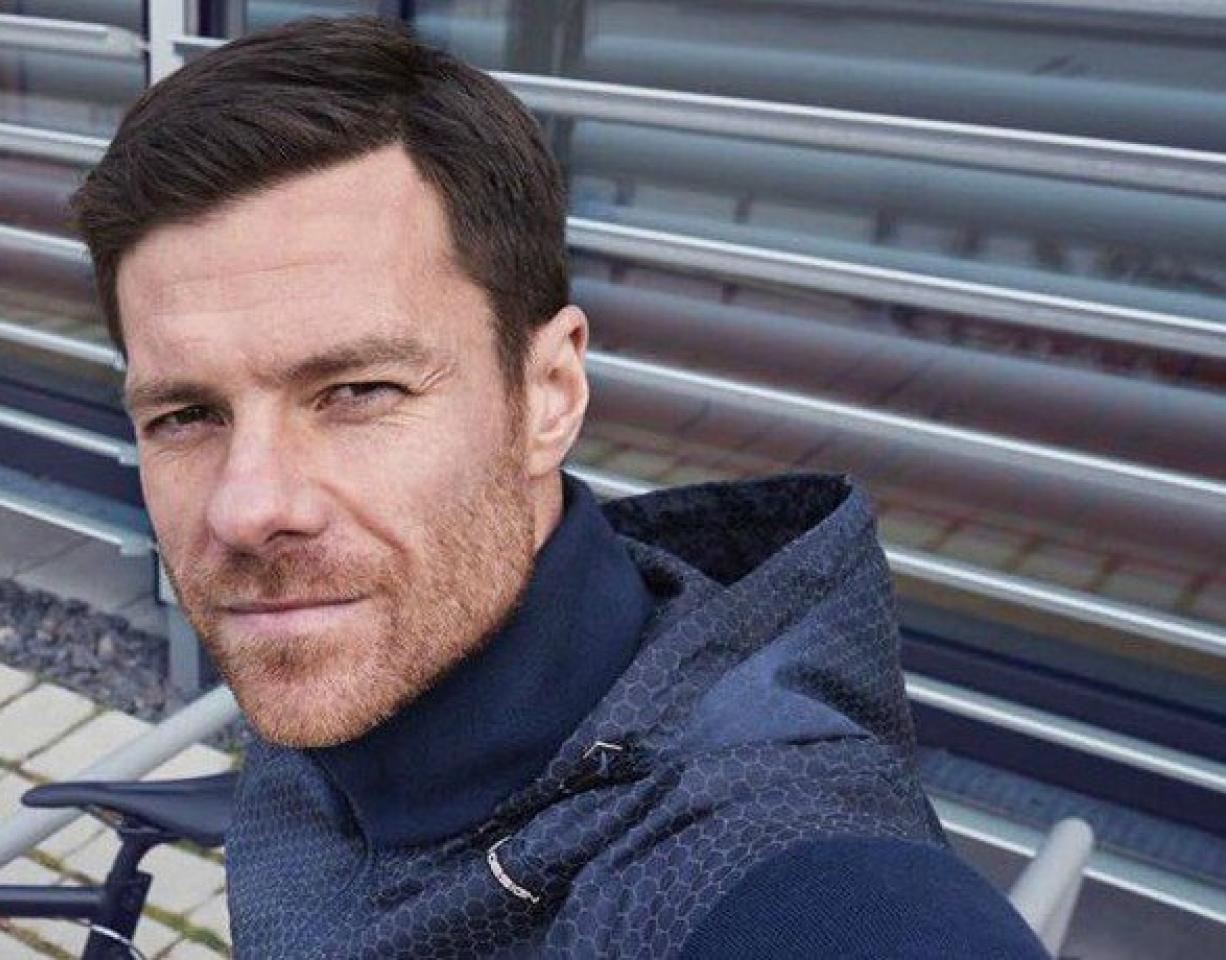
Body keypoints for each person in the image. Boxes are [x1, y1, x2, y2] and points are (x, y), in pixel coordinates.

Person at [72, 15, 1049, 959]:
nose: (247, 509)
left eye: (358, 392)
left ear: (549, 394)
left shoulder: (783, 875)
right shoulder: (361, 650)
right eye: (186, 415)